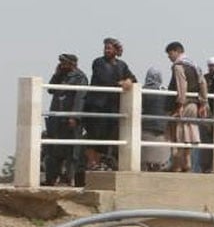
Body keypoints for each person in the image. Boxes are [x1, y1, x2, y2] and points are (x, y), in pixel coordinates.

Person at [83, 37, 136, 171]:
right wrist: (120, 83)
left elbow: (133, 78)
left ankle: (99, 163)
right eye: (105, 48)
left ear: (116, 50)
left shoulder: (122, 65)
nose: (106, 50)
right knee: (94, 135)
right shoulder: (98, 62)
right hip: (96, 105)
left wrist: (128, 80)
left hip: (111, 107)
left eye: (109, 48)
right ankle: (92, 162)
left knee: (106, 136)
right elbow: (103, 79)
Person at [43, 54, 88, 186]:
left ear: (73, 63)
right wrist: (56, 74)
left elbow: (80, 98)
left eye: (65, 62)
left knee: (72, 150)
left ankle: (69, 178)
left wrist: (75, 116)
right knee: (52, 149)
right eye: (61, 62)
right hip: (56, 118)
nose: (62, 65)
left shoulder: (80, 77)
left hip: (70, 119)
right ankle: (51, 178)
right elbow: (51, 89)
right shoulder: (60, 75)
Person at [164, 42, 208, 173]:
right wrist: (203, 102)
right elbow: (203, 83)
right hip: (194, 104)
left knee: (176, 133)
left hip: (182, 105)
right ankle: (187, 162)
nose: (169, 57)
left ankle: (177, 164)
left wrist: (180, 105)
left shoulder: (178, 66)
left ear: (176, 51)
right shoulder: (194, 65)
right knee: (188, 133)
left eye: (170, 53)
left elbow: (181, 85)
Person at [141, 67, 170, 172]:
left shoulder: (143, 90)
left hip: (145, 126)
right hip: (162, 127)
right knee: (160, 159)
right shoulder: (165, 90)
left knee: (145, 158)